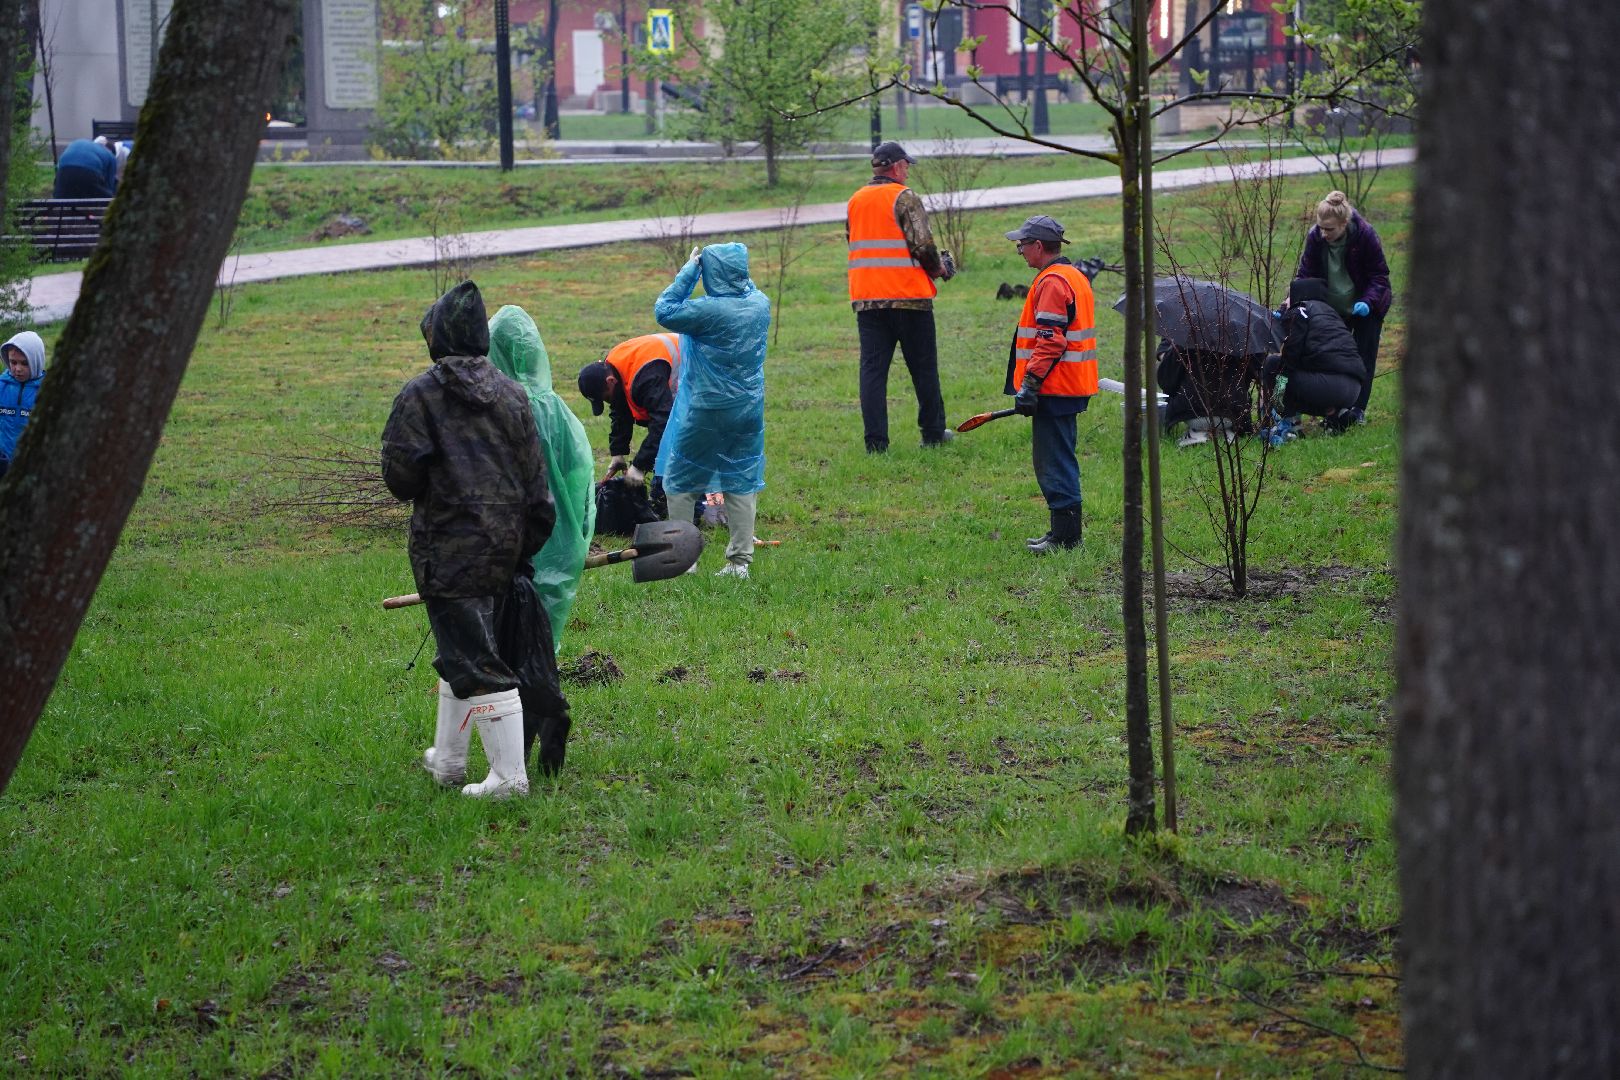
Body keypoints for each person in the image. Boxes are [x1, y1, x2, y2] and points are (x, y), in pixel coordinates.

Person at [382, 281, 555, 798]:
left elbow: (400, 480)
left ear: (436, 337)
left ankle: (508, 777)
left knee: (478, 661)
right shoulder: (513, 394)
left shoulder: (420, 395)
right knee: (460, 650)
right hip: (505, 550)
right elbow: (537, 489)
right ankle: (449, 761)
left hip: (449, 554)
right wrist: (524, 547)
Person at [488, 304, 594, 776]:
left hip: (519, 548)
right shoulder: (561, 411)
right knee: (540, 643)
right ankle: (542, 723)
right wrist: (578, 541)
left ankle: (521, 751)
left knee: (509, 653)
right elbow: (582, 479)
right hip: (562, 548)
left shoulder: (502, 411)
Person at [654, 242, 769, 579]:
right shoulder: (759, 304)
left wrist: (690, 271)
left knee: (679, 482)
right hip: (748, 409)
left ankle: (683, 559)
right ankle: (739, 563)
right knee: (741, 480)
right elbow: (749, 289)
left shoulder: (707, 312)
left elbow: (665, 309)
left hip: (706, 408)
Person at [845, 140, 955, 452]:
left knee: (873, 372)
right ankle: (933, 434)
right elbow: (922, 246)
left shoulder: (855, 200)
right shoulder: (905, 198)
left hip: (867, 299)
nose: (908, 171)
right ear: (896, 166)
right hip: (909, 299)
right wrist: (939, 270)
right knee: (923, 368)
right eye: (906, 165)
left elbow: (853, 242)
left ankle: (876, 443)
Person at [1003, 215, 1098, 554]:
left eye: (1022, 245)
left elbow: (1050, 341)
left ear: (1038, 246)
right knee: (1057, 459)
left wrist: (1030, 384)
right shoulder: (1073, 275)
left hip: (1055, 388)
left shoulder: (1053, 282)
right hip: (1066, 385)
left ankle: (1066, 538)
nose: (1019, 251)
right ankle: (1061, 532)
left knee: (1054, 462)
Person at [1295, 190, 1393, 426]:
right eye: (1320, 227)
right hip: (1333, 308)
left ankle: (1357, 409)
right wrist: (1293, 301)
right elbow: (1305, 275)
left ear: (1344, 223)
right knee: (1333, 357)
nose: (1323, 233)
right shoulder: (1316, 238)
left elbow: (1380, 276)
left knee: (1363, 357)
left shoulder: (1365, 235)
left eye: (1329, 229)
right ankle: (1336, 410)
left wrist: (1368, 302)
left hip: (1366, 307)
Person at [1259, 277, 1366, 445]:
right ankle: (1338, 414)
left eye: (1287, 297)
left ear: (1297, 296)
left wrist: (1276, 399)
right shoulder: (1331, 313)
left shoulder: (1300, 310)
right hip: (1353, 389)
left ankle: (1286, 425)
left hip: (1328, 385)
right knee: (1293, 375)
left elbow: (1291, 355)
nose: (1283, 302)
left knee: (1274, 365)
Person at [576, 333, 678, 493]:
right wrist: (618, 453)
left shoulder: (646, 377)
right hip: (666, 374)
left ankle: (700, 505)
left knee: (679, 454)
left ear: (610, 381)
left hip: (705, 375)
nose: (609, 402)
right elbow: (620, 408)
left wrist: (639, 466)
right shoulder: (613, 367)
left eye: (606, 398)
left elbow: (664, 424)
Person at [0, 331, 46, 479]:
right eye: (13, 362)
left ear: (36, 361)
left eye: (24, 363)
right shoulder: (1, 386)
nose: (17, 369)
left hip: (32, 467)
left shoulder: (47, 390)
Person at [52, 137, 119, 199]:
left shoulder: (81, 142)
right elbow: (110, 184)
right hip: (88, 171)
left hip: (64, 169)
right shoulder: (111, 157)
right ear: (112, 152)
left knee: (61, 198)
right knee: (103, 198)